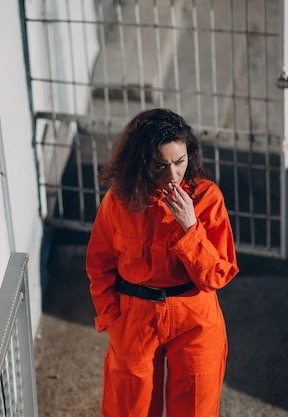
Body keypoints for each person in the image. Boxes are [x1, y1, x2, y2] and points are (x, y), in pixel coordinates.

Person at [85, 108, 239, 417]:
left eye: (179, 162)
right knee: (131, 409)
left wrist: (190, 227)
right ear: (141, 163)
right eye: (161, 165)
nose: (173, 175)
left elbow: (216, 275)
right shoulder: (119, 200)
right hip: (136, 317)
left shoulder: (207, 197)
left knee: (195, 408)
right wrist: (112, 318)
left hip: (194, 316)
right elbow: (99, 264)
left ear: (189, 156)